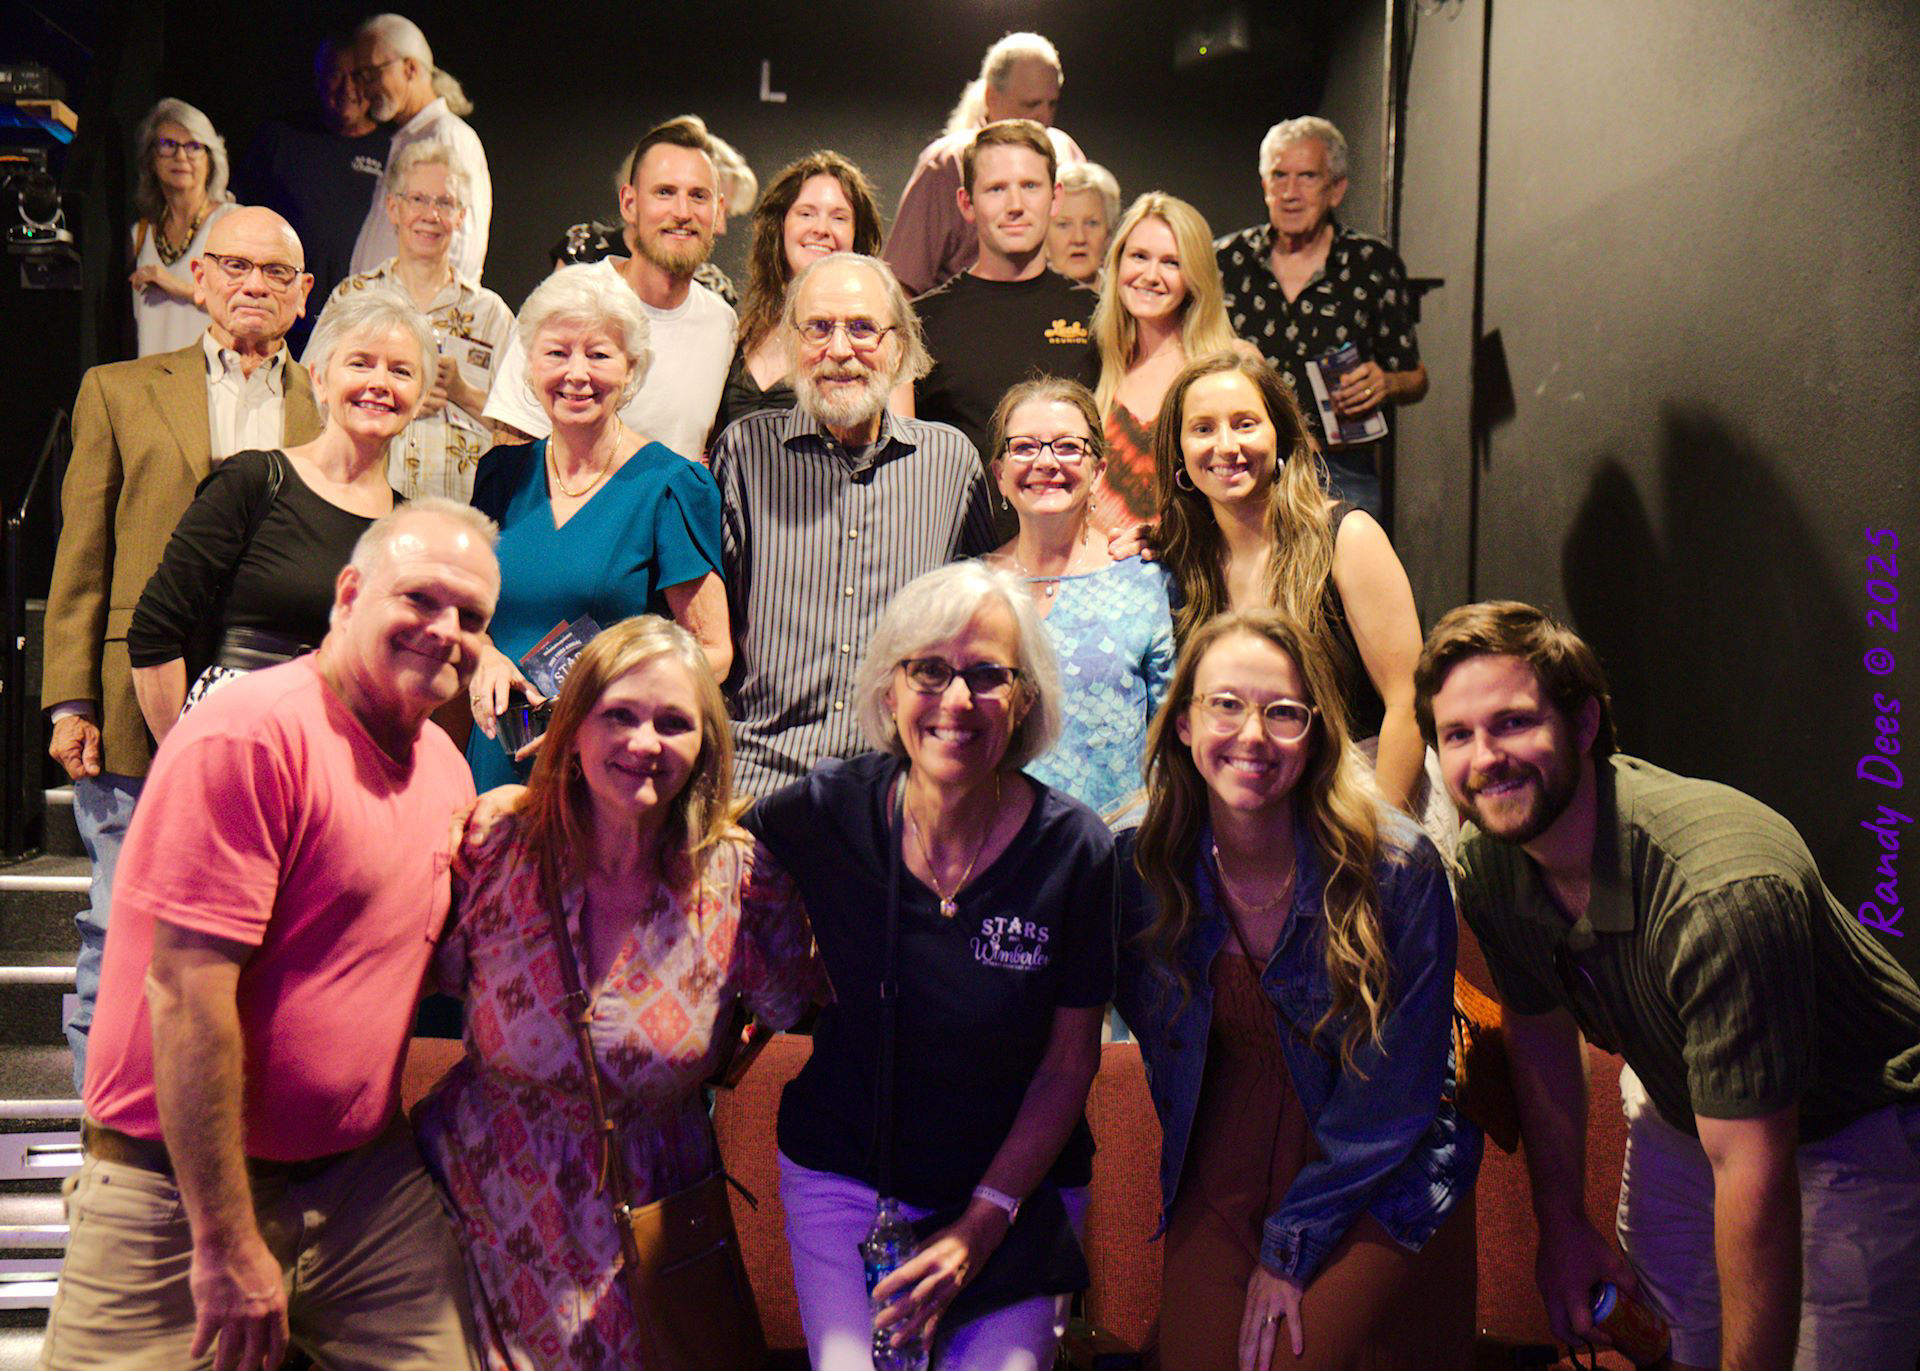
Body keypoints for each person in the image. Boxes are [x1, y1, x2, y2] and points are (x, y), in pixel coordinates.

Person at [42, 501, 499, 1370]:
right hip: (173, 1190)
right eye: (421, 599)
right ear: (349, 593)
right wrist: (223, 1237)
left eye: (471, 617)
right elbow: (184, 996)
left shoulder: (442, 764)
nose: (445, 630)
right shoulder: (253, 734)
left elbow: (421, 960)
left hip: (360, 1183)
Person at [1417, 601, 1920, 1371]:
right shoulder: (1491, 861)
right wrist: (1562, 1224)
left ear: (1583, 726)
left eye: (1513, 722)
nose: (1485, 757)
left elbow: (1754, 1168)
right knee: (1668, 1346)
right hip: (1686, 1103)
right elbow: (1544, 1036)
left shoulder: (1719, 895)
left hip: (1849, 1130)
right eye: (1457, 734)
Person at [416, 615, 819, 1368]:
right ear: (570, 729)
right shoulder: (492, 845)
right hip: (473, 1227)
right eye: (618, 715)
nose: (644, 741)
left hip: (646, 1252)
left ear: (706, 743)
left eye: (674, 722)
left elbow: (796, 1001)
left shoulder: (742, 879)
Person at [745, 561, 1115, 1370]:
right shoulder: (828, 807)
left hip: (1012, 1196)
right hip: (847, 1181)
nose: (957, 700)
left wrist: (981, 1223)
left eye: (988, 674)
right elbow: (699, 836)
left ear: (1024, 700)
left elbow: (1067, 1063)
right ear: (889, 688)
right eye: (929, 670)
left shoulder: (1074, 850)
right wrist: (534, 798)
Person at [1116, 608, 1480, 1371]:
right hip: (1223, 1147)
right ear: (1182, 722)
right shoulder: (1138, 861)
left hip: (1377, 1157)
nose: (1251, 735)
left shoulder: (1396, 868)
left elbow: (1398, 1099)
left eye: (1282, 711)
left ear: (1315, 732)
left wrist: (1287, 1251)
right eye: (1226, 704)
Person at [42, 205, 321, 1089]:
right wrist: (69, 700)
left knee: (264, 932)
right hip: (134, 702)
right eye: (234, 265)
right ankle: (110, 1133)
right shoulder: (118, 389)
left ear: (304, 294)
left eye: (276, 273)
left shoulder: (335, 399)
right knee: (122, 925)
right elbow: (81, 557)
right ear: (198, 279)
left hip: (279, 704)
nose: (253, 285)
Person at [709, 251, 997, 799]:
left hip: (899, 786)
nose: (839, 350)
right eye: (818, 328)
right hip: (760, 781)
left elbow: (983, 614)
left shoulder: (950, 461)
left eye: (863, 328)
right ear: (793, 343)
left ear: (899, 347)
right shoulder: (745, 452)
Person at [465, 263, 730, 793]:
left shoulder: (671, 486)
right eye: (557, 353)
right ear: (530, 365)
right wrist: (484, 655)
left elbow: (712, 652)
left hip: (608, 768)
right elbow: (465, 615)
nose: (577, 373)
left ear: (631, 369)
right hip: (495, 761)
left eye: (599, 354)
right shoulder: (501, 475)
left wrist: (602, 703)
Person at [129, 286, 433, 739]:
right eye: (360, 363)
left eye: (401, 370)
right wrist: (183, 756)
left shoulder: (411, 528)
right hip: (236, 739)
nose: (380, 383)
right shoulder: (253, 481)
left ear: (421, 398)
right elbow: (155, 629)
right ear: (319, 379)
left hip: (351, 753)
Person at [1152, 353, 1430, 822]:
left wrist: (1379, 839)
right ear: (1179, 452)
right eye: (1202, 429)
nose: (1226, 446)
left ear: (1279, 434)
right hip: (1244, 822)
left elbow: (1409, 702)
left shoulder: (1348, 538)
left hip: (1358, 807)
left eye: (1245, 424)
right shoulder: (1180, 561)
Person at [485, 117, 736, 462]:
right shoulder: (566, 298)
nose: (682, 212)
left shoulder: (722, 323)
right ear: (629, 204)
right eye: (664, 192)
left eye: (698, 196)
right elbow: (510, 445)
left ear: (718, 212)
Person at [1216, 116, 1427, 518]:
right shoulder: (1226, 262)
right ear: (1264, 185)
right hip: (1243, 467)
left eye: (1307, 177)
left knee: (1348, 579)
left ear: (1336, 189)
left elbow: (1416, 377)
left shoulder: (1372, 264)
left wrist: (1386, 381)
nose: (1290, 193)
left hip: (1342, 470)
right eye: (1279, 176)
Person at [983, 377, 1172, 816]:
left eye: (1068, 447)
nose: (1046, 462)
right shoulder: (970, 591)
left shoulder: (1145, 581)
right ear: (1000, 474)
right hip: (999, 853)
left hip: (1120, 852)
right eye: (1025, 447)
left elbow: (1174, 737)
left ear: (1098, 471)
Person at [909, 119, 1097, 540]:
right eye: (996, 189)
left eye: (1030, 186)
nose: (1015, 204)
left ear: (1055, 197)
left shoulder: (1098, 317)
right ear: (966, 203)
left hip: (1075, 560)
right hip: (958, 562)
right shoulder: (922, 323)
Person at [311, 140, 513, 499]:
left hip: (461, 514)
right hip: (362, 503)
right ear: (393, 208)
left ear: (461, 216)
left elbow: (524, 427)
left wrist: (463, 393)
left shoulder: (490, 314)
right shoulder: (354, 298)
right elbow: (311, 396)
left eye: (445, 202)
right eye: (418, 199)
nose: (430, 215)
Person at [1090, 192, 1251, 530]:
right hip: (1105, 570)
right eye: (1139, 256)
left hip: (1198, 571)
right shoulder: (1099, 363)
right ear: (1117, 263)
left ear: (1196, 275)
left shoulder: (1232, 365)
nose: (1150, 275)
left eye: (1171, 262)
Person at [885, 32, 1087, 296]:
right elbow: (902, 281)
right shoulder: (947, 163)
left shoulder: (1065, 152)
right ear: (991, 97)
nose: (1043, 117)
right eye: (1031, 104)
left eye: (1051, 104)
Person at [712, 151, 884, 440]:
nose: (821, 229)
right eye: (806, 213)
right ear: (780, 226)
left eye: (839, 218)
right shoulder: (744, 330)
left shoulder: (877, 339)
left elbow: (901, 464)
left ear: (857, 235)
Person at [234, 35, 387, 355]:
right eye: (335, 74)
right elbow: (242, 223)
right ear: (318, 80)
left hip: (364, 326)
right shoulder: (281, 138)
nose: (347, 88)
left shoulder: (394, 150)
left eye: (358, 76)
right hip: (285, 324)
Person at [348, 13, 491, 282]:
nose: (365, 88)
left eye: (372, 74)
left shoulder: (448, 136)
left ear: (410, 68)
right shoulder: (408, 137)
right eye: (361, 75)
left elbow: (461, 247)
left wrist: (428, 320)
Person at [128, 99, 238, 358]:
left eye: (193, 147)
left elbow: (242, 307)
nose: (180, 156)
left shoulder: (231, 223)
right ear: (151, 158)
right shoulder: (140, 234)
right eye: (168, 145)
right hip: (152, 387)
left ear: (211, 159)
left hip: (212, 386)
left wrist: (173, 284)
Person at [1046, 160, 1119, 286]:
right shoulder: (1021, 303)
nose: (1079, 239)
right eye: (1064, 225)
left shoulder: (1127, 303)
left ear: (1108, 235)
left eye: (1091, 224)